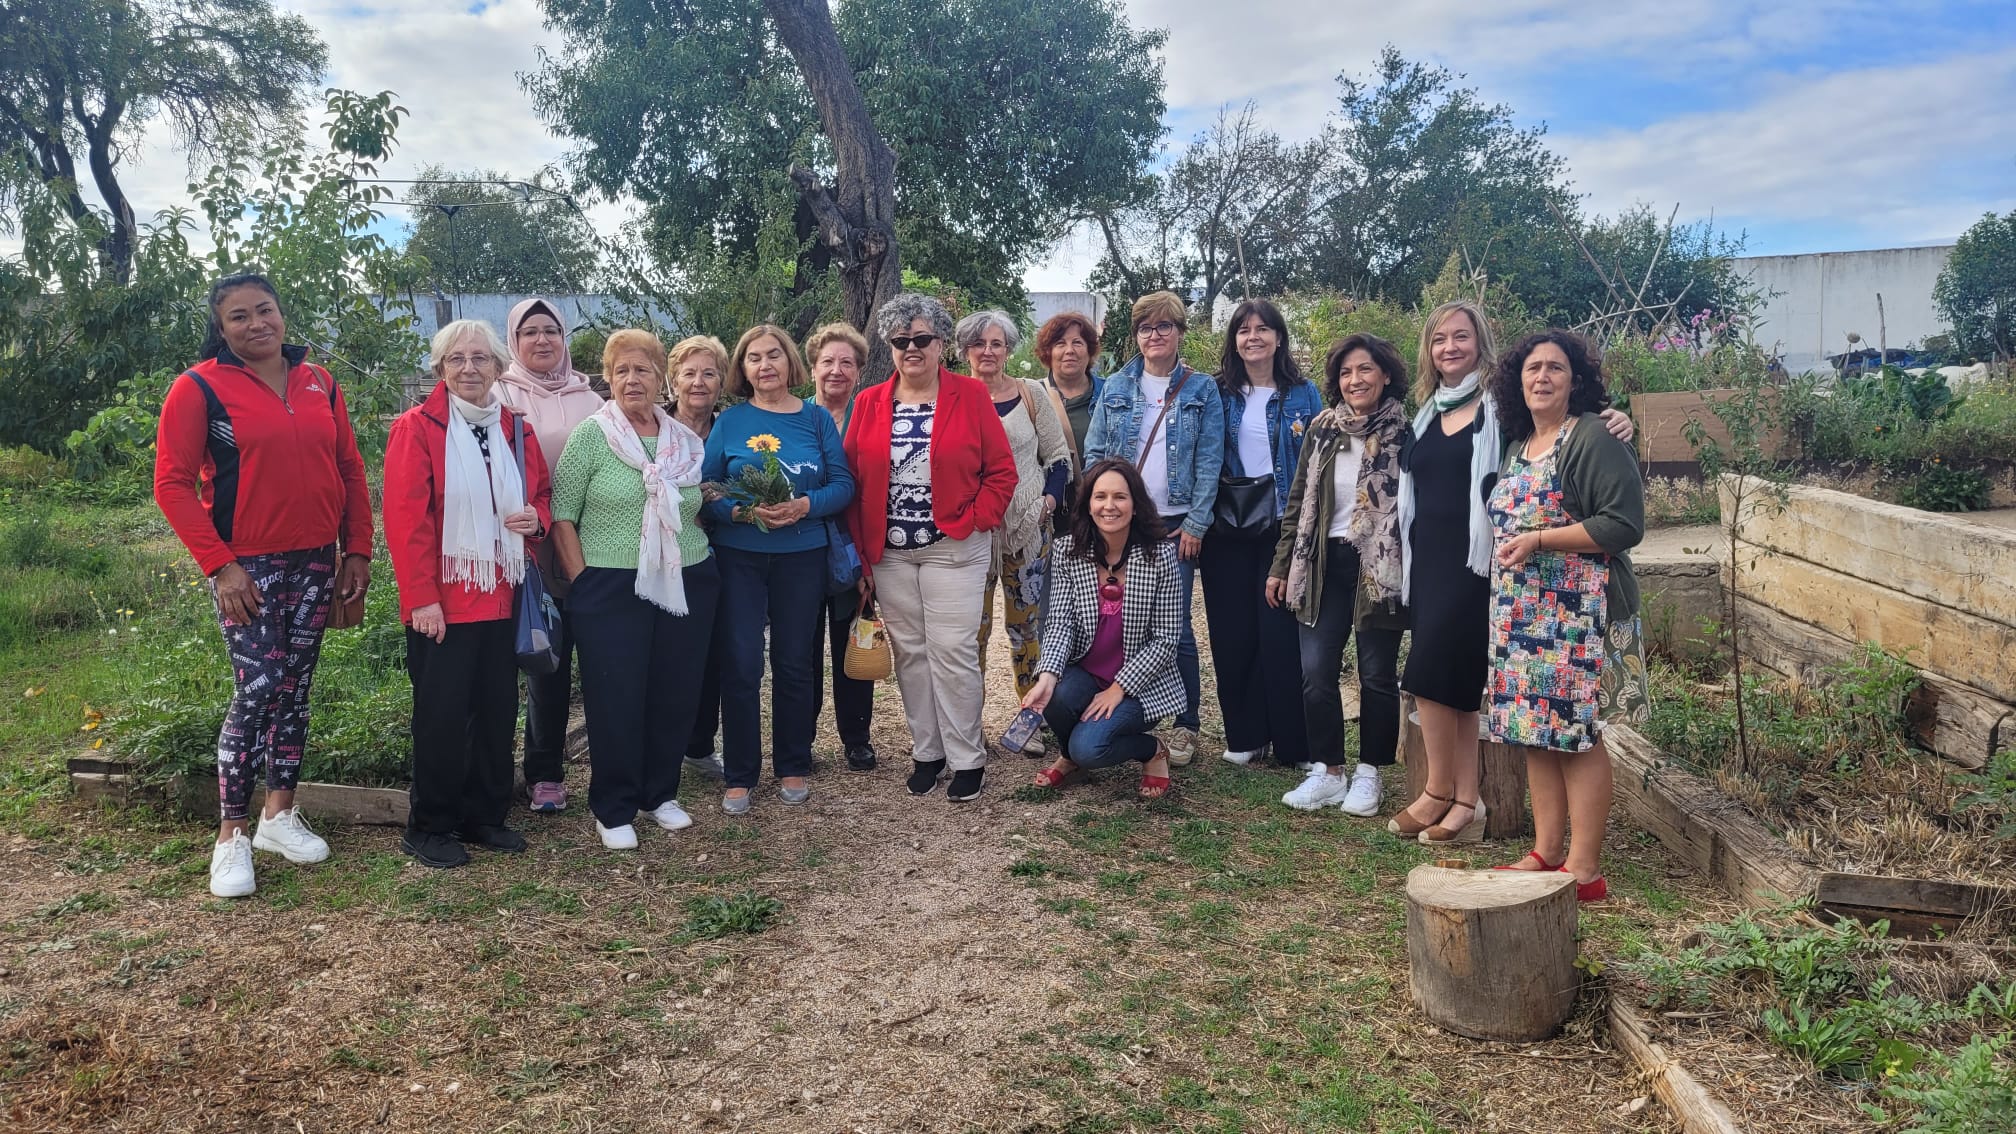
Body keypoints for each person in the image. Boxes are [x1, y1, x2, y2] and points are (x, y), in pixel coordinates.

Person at [155, 273, 373, 898]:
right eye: (239, 317)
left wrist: (356, 549)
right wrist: (220, 565)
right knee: (257, 688)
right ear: (220, 329)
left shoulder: (319, 382)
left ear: (282, 314)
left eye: (265, 311)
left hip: (315, 560)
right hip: (245, 567)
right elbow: (171, 483)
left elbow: (349, 468)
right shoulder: (198, 388)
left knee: (296, 686)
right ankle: (230, 837)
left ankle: (279, 814)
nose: (256, 325)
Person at [1393, 301, 1635, 845]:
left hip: (1483, 561)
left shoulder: (1502, 409)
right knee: (1448, 681)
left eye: (1461, 336)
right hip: (1431, 557)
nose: (1450, 347)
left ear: (1480, 343)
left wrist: (1621, 417)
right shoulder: (1425, 412)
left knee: (1435, 673)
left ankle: (1453, 795)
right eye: (1439, 339)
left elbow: (1578, 432)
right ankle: (1459, 798)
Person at [1484, 331, 1647, 901]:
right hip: (1524, 614)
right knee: (1537, 732)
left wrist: (1539, 540)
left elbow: (1624, 524)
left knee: (1578, 734)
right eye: (1533, 368)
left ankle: (1584, 869)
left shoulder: (1594, 436)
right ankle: (1545, 852)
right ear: (1518, 380)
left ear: (1575, 380)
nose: (1542, 377)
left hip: (1581, 611)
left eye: (1556, 368)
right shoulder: (1521, 444)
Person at [383, 319, 552, 869]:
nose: (469, 369)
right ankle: (430, 824)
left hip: (502, 594)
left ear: (500, 369)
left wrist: (537, 518)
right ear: (439, 369)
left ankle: (485, 814)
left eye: (481, 359)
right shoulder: (417, 427)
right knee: (442, 715)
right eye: (456, 359)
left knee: (497, 709)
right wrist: (420, 598)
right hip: (445, 604)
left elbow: (542, 494)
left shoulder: (514, 429)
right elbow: (406, 522)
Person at [843, 293, 1016, 801]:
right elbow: (854, 480)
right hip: (890, 553)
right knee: (911, 654)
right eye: (900, 341)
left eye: (921, 339)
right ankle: (928, 751)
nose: (911, 348)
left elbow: (1000, 471)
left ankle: (967, 757)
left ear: (941, 343)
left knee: (953, 651)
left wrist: (975, 521)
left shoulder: (970, 395)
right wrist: (863, 554)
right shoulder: (870, 402)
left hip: (953, 547)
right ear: (890, 346)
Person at [549, 330, 716, 850]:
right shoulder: (591, 437)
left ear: (660, 375)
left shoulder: (684, 442)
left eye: (642, 369)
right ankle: (615, 805)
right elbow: (562, 517)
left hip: (687, 575)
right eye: (620, 370)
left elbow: (694, 506)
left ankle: (659, 793)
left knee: (674, 689)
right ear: (607, 378)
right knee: (616, 696)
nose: (631, 379)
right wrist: (583, 583)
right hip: (610, 584)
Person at [702, 324, 854, 813]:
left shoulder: (815, 420)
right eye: (753, 358)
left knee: (793, 661)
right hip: (739, 554)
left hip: (802, 555)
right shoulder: (730, 421)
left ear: (791, 362)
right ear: (742, 370)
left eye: (773, 355)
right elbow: (706, 488)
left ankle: (793, 763)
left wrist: (805, 505)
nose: (764, 365)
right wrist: (741, 512)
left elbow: (843, 485)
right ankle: (741, 772)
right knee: (742, 661)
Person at [1267, 334, 1410, 814]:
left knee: (1376, 675)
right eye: (1347, 373)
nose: (1356, 380)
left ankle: (1370, 773)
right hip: (1322, 561)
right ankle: (1328, 771)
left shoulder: (1405, 431)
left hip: (1380, 564)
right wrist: (1282, 564)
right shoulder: (1322, 429)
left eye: (1366, 370)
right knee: (1315, 672)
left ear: (1385, 374)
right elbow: (1297, 501)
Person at [1081, 291, 1224, 766]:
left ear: (1180, 332)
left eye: (1164, 326)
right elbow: (1095, 455)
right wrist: (1103, 511)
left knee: (1176, 627)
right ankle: (1127, 710)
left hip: (1176, 526)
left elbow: (1210, 461)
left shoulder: (1202, 389)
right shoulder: (1116, 387)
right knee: (1118, 622)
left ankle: (1185, 726)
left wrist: (1198, 522)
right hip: (1123, 524)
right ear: (1136, 335)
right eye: (1145, 328)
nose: (1155, 335)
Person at [494, 297, 604, 815]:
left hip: (592, 546)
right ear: (513, 341)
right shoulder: (500, 395)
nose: (542, 341)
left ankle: (611, 761)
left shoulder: (592, 400)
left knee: (603, 659)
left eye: (552, 331)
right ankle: (544, 773)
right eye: (530, 332)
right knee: (546, 660)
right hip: (533, 552)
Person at [1201, 298, 1321, 774]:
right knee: (1232, 633)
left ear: (1278, 337)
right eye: (1243, 329)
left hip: (1280, 526)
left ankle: (1292, 741)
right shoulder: (1217, 392)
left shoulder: (1303, 393)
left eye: (1263, 329)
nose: (1253, 337)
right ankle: (1246, 735)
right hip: (1225, 527)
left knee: (1280, 633)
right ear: (1233, 340)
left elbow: (1316, 465)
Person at [1024, 460, 1182, 798]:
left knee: (1091, 748)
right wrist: (1047, 676)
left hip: (1140, 686)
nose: (1109, 506)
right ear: (1088, 504)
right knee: (1052, 693)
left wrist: (1119, 688)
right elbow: (1060, 622)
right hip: (1087, 674)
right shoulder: (1068, 550)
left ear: (1136, 505)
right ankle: (1071, 757)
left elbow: (1167, 639)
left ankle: (1151, 749)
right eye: (1100, 497)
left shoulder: (1161, 556)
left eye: (1120, 497)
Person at [958, 310, 1071, 750]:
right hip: (972, 532)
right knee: (974, 628)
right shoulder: (953, 396)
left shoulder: (1031, 395)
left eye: (997, 343)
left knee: (1027, 626)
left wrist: (1047, 502)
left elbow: (1058, 456)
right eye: (979, 344)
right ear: (964, 350)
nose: (988, 352)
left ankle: (1031, 719)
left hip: (1027, 528)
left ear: (1008, 349)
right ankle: (969, 725)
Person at [806, 322, 881, 771]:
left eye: (846, 363)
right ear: (813, 367)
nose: (836, 370)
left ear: (858, 371)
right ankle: (803, 736)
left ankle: (856, 737)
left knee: (855, 640)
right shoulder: (795, 418)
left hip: (855, 548)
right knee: (802, 647)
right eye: (828, 362)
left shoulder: (869, 418)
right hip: (805, 548)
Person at [666, 335, 732, 786]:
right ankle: (661, 745)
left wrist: (725, 495)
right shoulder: (653, 428)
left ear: (722, 381)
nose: (698, 382)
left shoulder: (731, 428)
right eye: (689, 373)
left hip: (723, 553)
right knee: (667, 654)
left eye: (709, 372)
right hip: (667, 555)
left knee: (713, 652)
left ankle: (699, 745)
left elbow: (745, 481)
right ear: (672, 380)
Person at [1035, 310, 1103, 522]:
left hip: (1103, 512)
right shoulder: (1032, 395)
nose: (1069, 350)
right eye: (1060, 344)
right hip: (1051, 514)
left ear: (1090, 350)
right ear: (1048, 352)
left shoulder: (1111, 393)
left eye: (1078, 343)